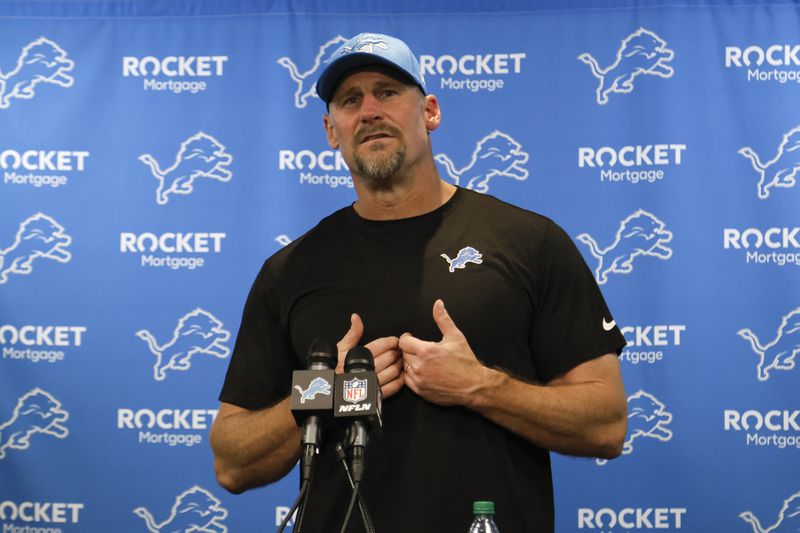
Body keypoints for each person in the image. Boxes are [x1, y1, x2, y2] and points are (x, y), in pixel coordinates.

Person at [210, 32, 627, 532]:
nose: (368, 111)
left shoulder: (529, 242)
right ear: (331, 130)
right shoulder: (289, 270)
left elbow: (606, 422)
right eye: (349, 100)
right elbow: (231, 462)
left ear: (429, 111)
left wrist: (481, 386)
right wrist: (326, 393)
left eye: (387, 92)